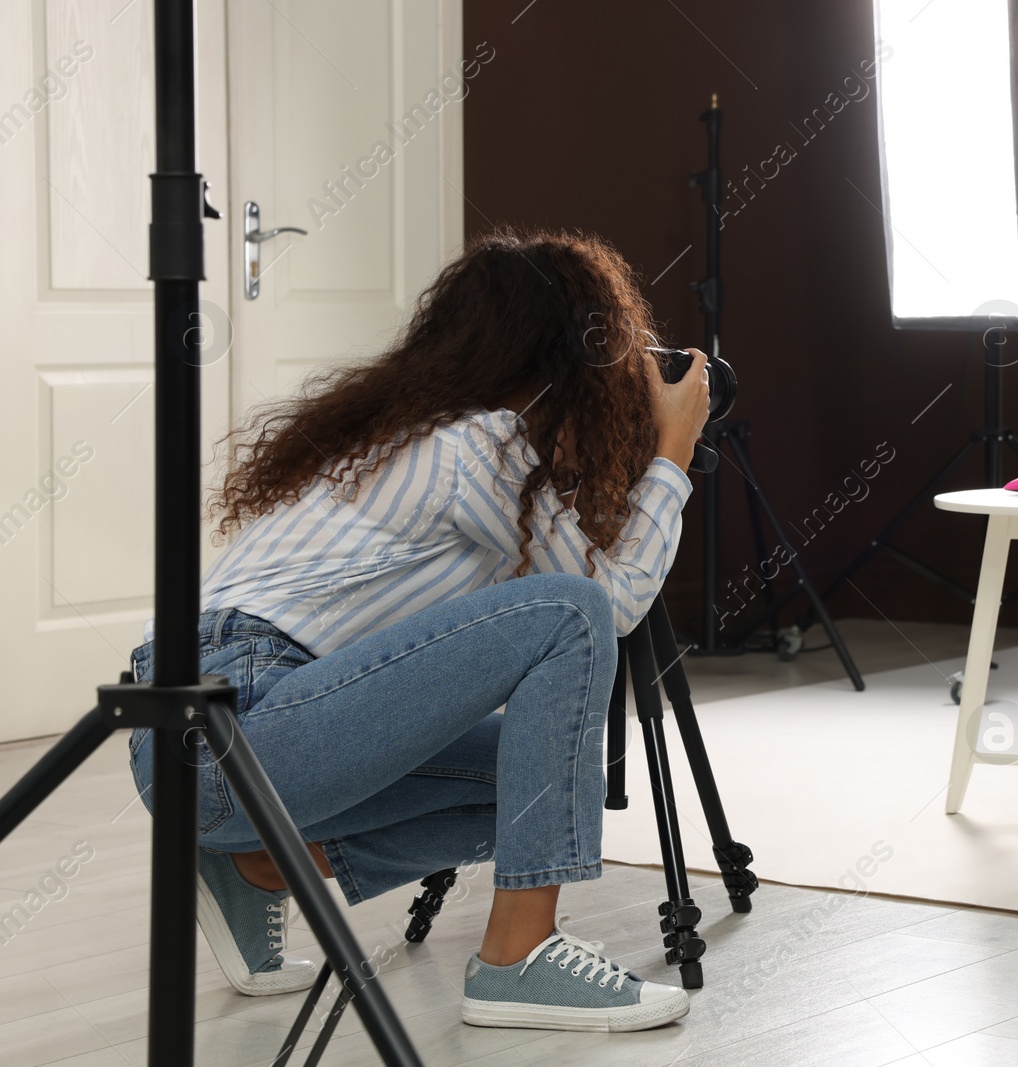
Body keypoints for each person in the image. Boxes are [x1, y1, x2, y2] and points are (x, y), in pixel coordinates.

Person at [124, 228, 710, 1032]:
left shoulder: (408, 432)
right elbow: (605, 604)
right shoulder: (484, 443)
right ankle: (517, 960)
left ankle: (255, 865)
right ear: (566, 359)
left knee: (535, 779)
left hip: (196, 740)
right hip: (239, 725)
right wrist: (673, 452)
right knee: (573, 614)